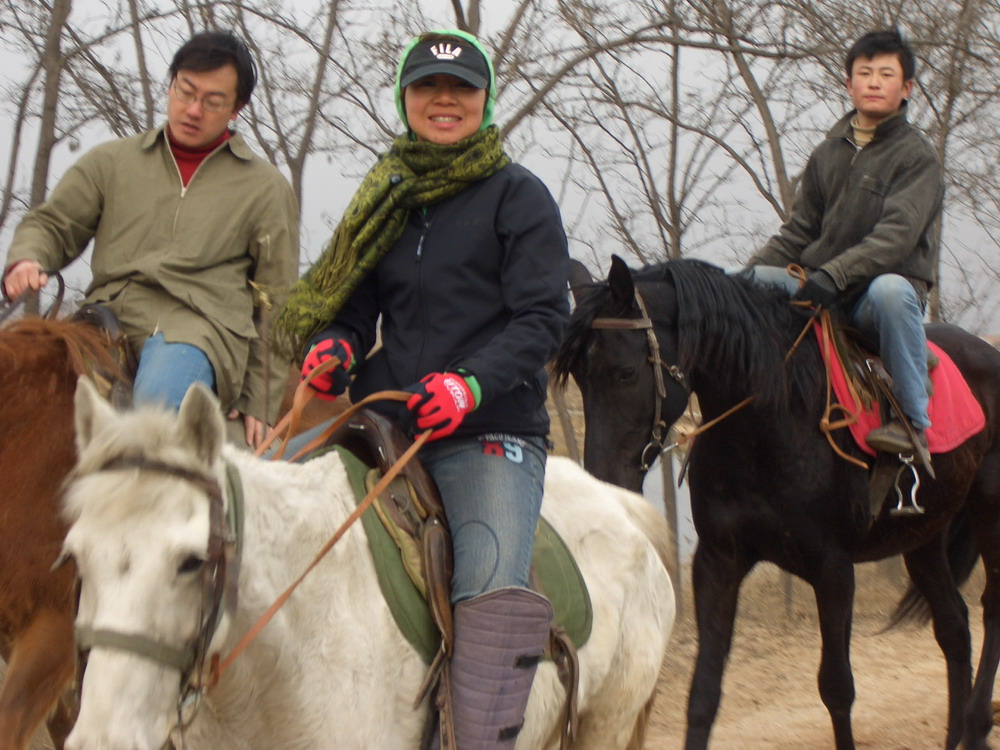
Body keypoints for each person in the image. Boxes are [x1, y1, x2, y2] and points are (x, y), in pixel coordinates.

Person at [275, 30, 570, 749]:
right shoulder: (387, 198)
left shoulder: (520, 197)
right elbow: (352, 307)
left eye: (462, 89)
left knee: (488, 587)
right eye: (428, 89)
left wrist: (471, 385)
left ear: (484, 101)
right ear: (405, 100)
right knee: (264, 518)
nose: (445, 101)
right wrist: (335, 345)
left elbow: (543, 320)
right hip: (386, 415)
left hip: (487, 430)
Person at [2, 31, 299, 448]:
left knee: (154, 407)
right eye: (185, 91)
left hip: (199, 326)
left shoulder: (265, 189)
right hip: (106, 318)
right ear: (172, 82)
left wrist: (262, 401)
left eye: (212, 102)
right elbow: (54, 223)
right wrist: (27, 260)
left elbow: (277, 301)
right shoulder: (113, 162)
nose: (192, 110)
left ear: (237, 109)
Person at [747, 28, 944, 469]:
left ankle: (913, 422)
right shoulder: (826, 155)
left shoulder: (917, 158)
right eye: (865, 73)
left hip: (877, 295)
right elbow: (799, 231)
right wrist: (741, 279)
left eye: (886, 74)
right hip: (823, 288)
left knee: (891, 292)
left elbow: (896, 237)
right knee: (752, 284)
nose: (874, 82)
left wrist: (833, 275)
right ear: (848, 83)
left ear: (906, 88)